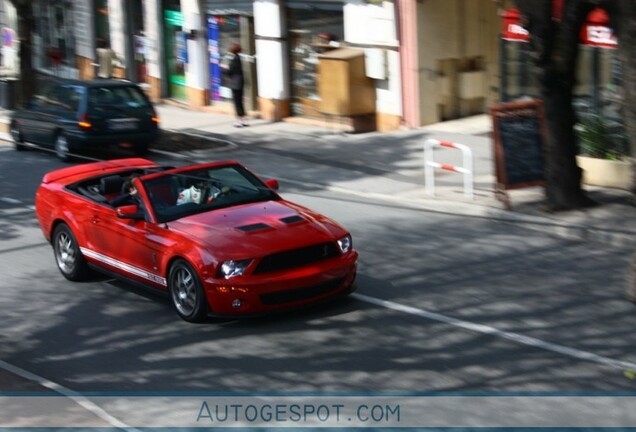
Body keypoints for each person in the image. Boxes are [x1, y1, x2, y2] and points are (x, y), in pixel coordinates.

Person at [224, 43, 247, 128]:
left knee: (237, 103)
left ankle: (240, 121)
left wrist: (224, 68)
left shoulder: (234, 60)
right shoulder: (238, 58)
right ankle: (243, 120)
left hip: (236, 84)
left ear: (232, 50)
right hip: (239, 82)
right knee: (240, 102)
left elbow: (230, 72)